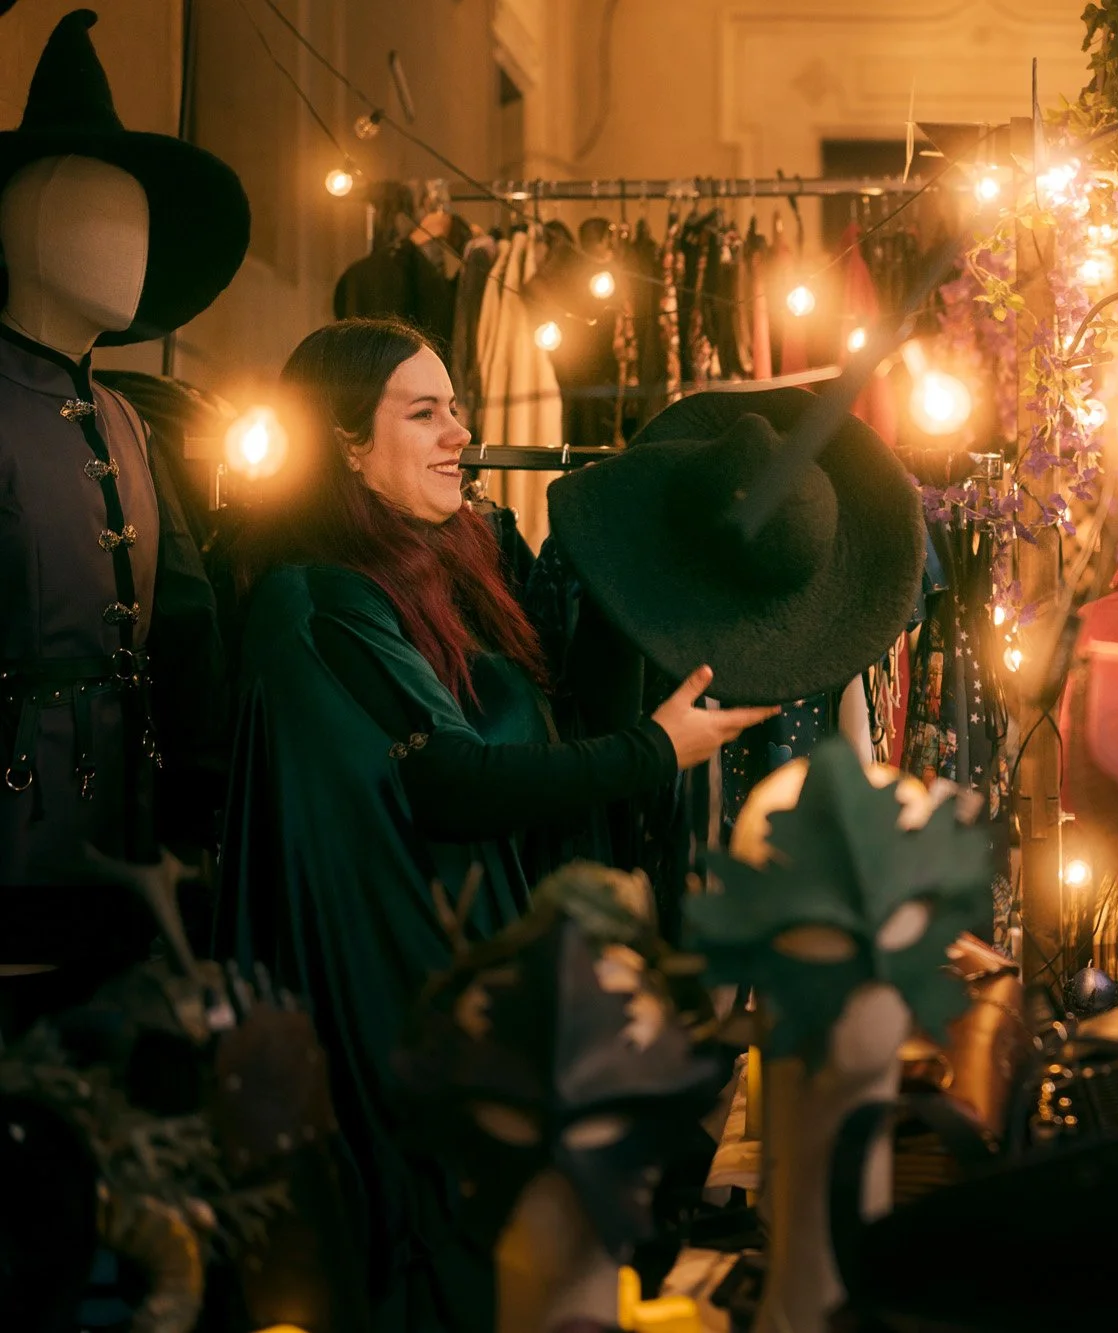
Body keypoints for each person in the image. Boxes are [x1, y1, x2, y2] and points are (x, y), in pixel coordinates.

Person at [218, 318, 775, 1333]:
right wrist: (656, 750)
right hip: (393, 993)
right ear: (343, 441)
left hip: (468, 953)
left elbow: (531, 727)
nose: (458, 433)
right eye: (422, 412)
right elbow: (454, 781)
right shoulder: (315, 600)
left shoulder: (442, 571)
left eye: (457, 409)